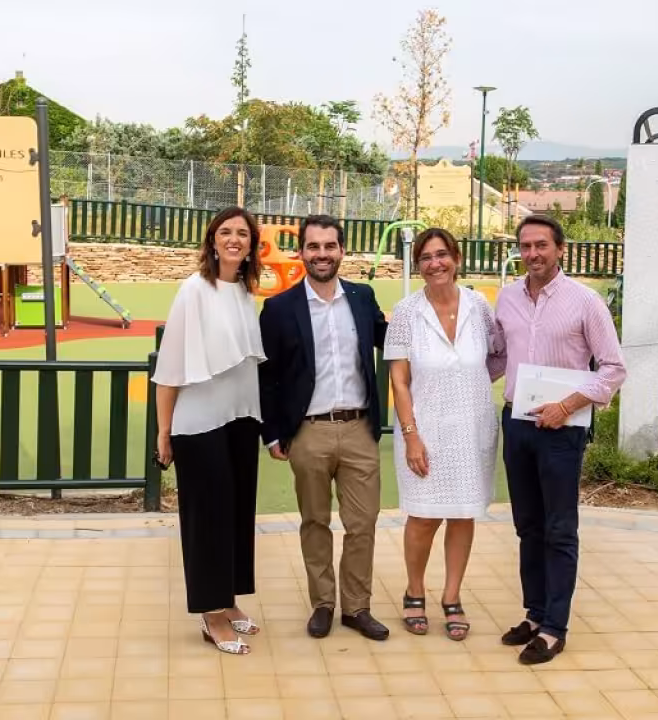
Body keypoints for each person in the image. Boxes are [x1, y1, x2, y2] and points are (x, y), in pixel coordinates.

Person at [493, 215, 626, 665]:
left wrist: (566, 405)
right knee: (527, 527)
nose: (533, 254)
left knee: (558, 530)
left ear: (560, 249)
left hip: (562, 432)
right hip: (517, 426)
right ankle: (534, 614)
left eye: (541, 245)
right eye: (526, 246)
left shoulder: (585, 302)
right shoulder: (507, 297)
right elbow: (497, 359)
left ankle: (554, 627)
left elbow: (613, 369)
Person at [258, 214, 391, 642]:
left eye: (329, 246)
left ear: (342, 251)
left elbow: (393, 341)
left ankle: (356, 607)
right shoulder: (279, 309)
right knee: (314, 521)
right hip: (308, 431)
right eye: (313, 247)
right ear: (302, 252)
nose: (321, 254)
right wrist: (274, 433)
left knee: (363, 523)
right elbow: (268, 377)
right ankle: (323, 603)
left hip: (358, 428)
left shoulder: (363, 297)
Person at [153, 206, 267, 656]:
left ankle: (230, 599)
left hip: (240, 419)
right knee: (207, 520)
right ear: (212, 240)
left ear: (251, 244)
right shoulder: (193, 290)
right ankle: (211, 615)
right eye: (226, 232)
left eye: (243, 233)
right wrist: (164, 432)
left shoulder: (243, 291)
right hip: (199, 424)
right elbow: (170, 367)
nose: (235, 239)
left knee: (236, 514)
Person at [384, 228, 502, 641]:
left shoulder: (479, 306)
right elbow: (399, 383)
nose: (435, 264)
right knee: (423, 516)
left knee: (462, 513)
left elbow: (498, 354)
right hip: (425, 430)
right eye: (426, 258)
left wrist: (468, 384)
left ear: (456, 258)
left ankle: (452, 597)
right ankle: (414, 591)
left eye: (442, 255)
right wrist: (412, 435)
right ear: (418, 266)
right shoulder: (405, 313)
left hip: (472, 429)